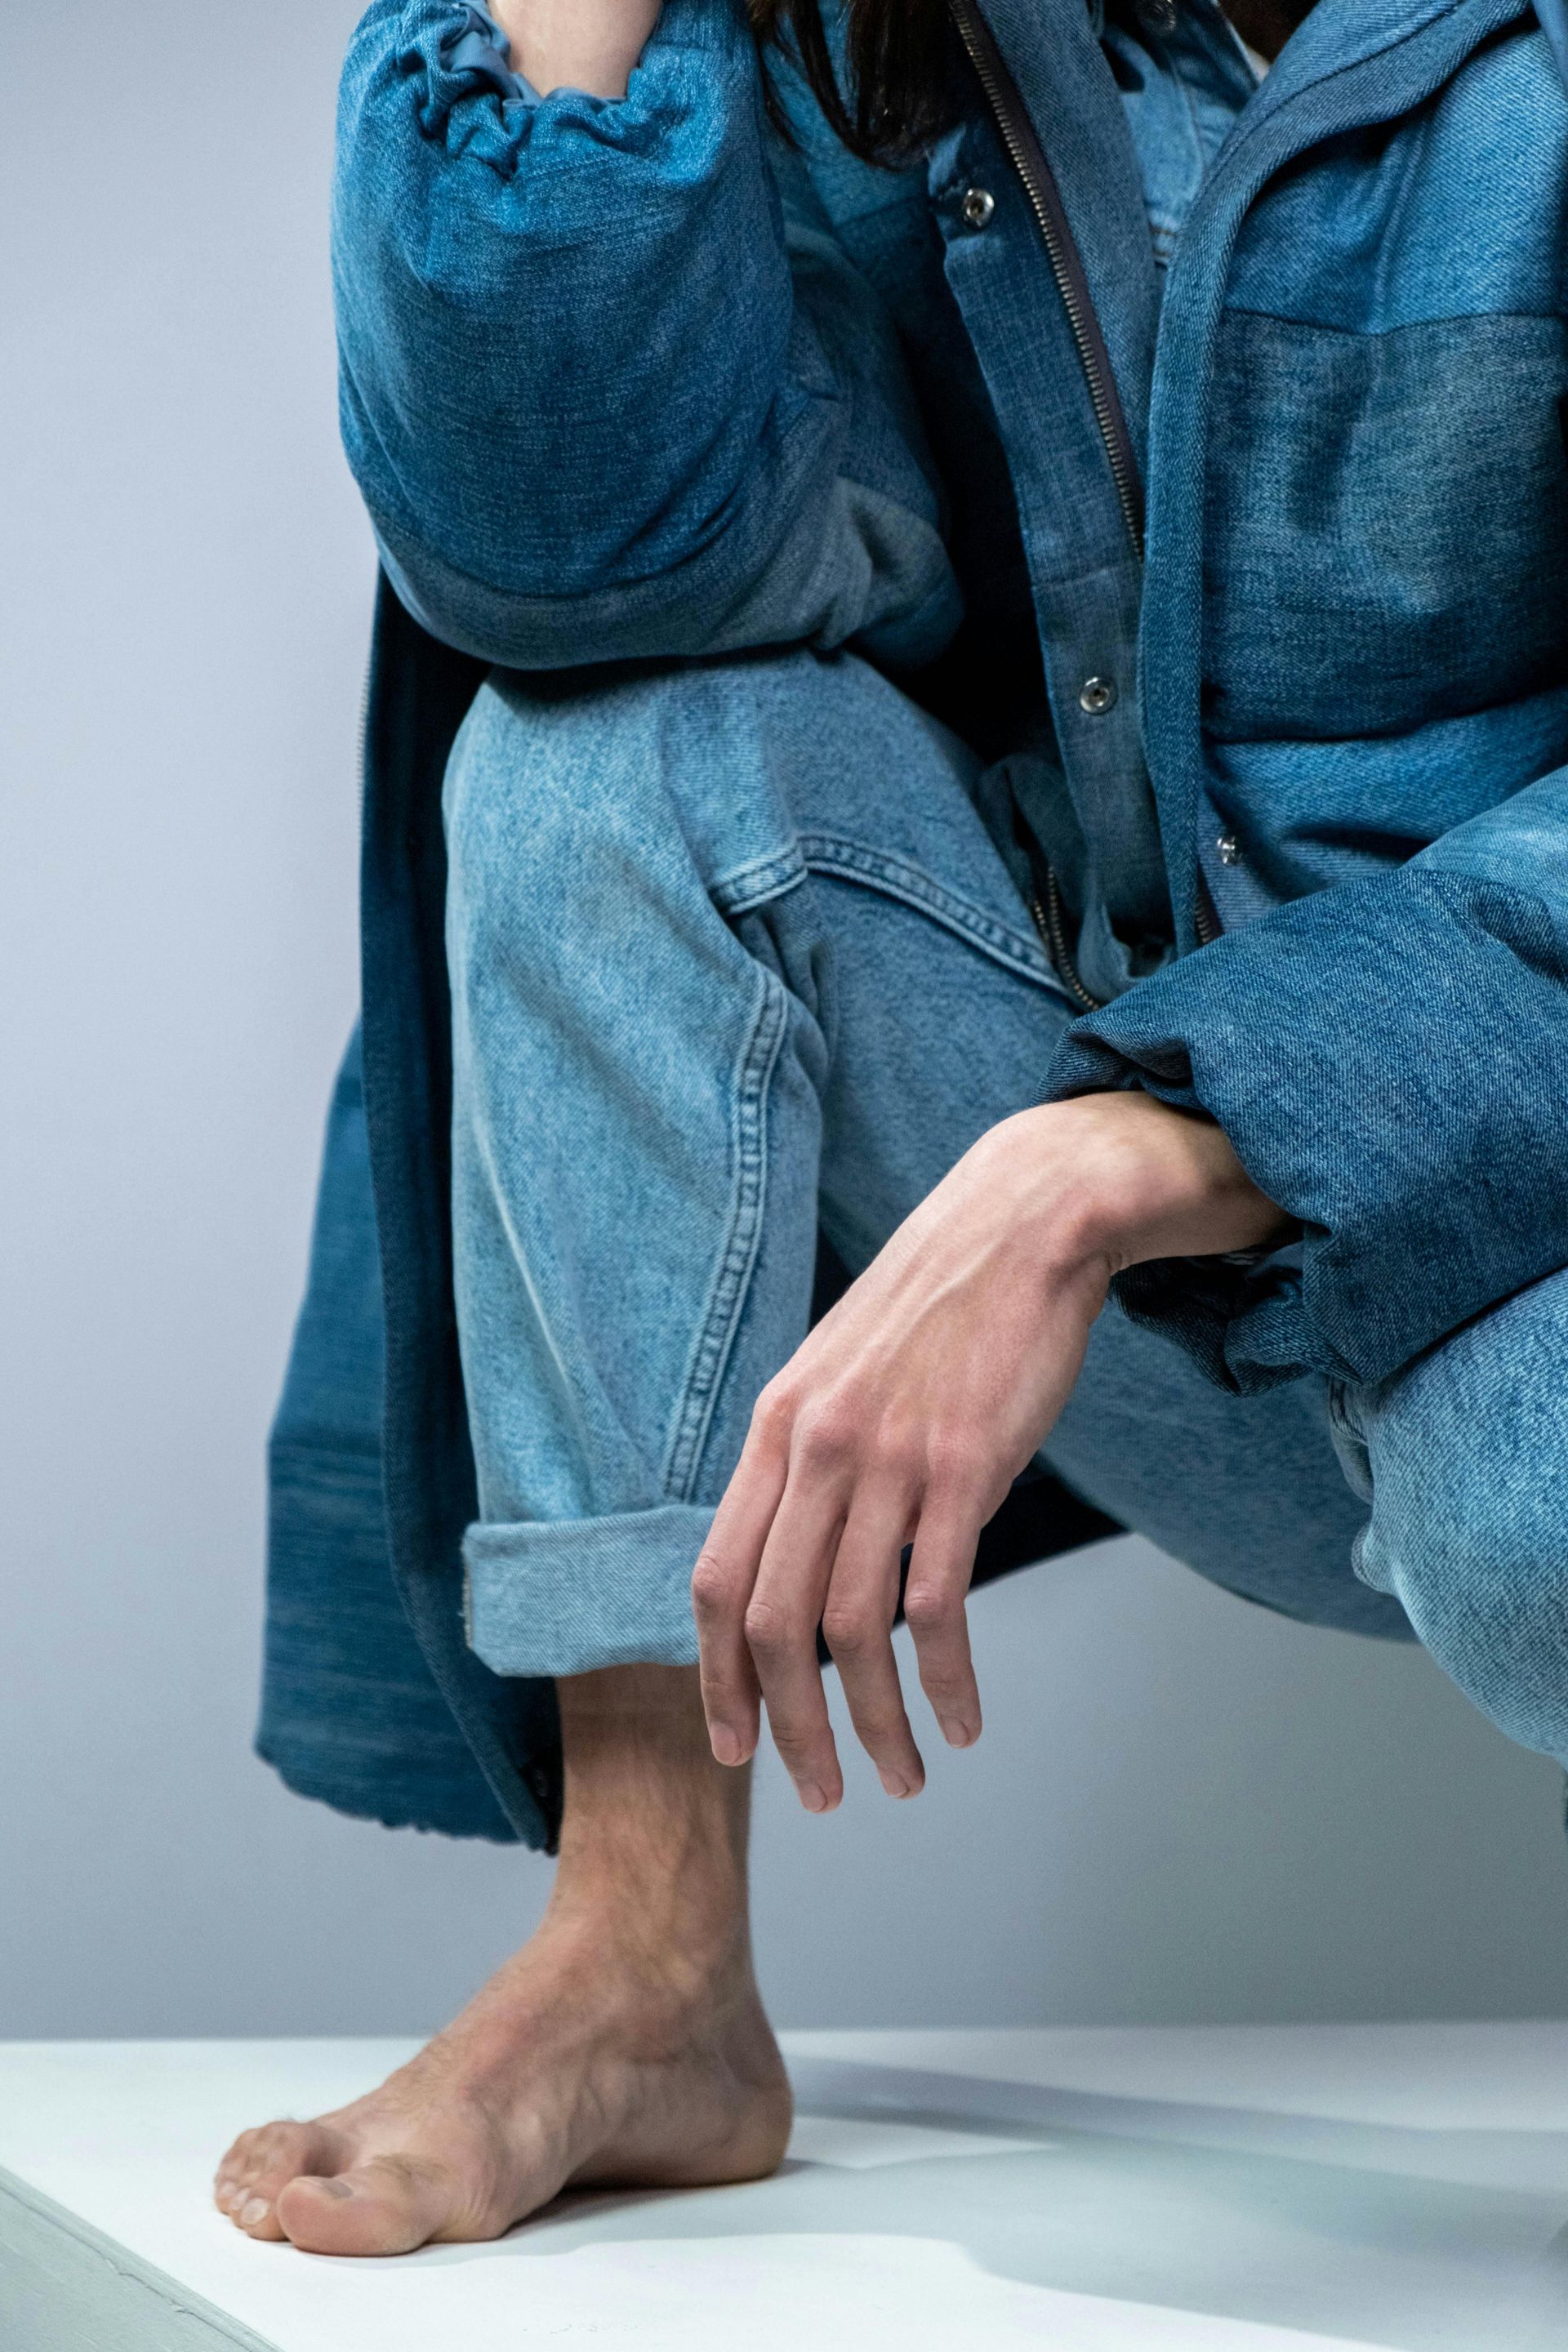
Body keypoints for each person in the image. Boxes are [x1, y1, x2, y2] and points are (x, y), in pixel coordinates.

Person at [216, 0, 1568, 2256]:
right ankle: (643, 1957)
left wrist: (1130, 1147)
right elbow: (571, 558)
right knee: (598, 760)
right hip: (1226, 1326)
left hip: (1516, 1259)